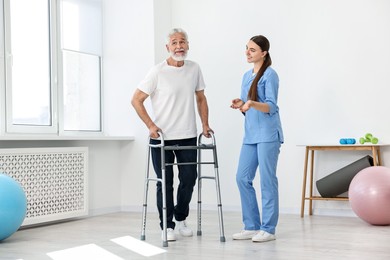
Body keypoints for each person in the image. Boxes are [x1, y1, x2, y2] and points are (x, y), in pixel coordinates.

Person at [131, 28, 212, 242]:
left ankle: (180, 217)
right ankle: (166, 225)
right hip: (162, 137)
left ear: (188, 45)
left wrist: (205, 124)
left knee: (189, 179)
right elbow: (136, 99)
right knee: (164, 182)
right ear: (168, 47)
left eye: (182, 42)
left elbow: (201, 98)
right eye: (174, 43)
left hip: (187, 135)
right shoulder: (157, 71)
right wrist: (150, 125)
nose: (179, 46)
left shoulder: (194, 69)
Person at [230, 35, 284, 243]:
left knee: (267, 181)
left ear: (264, 53)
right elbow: (248, 105)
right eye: (246, 49)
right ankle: (251, 226)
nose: (248, 52)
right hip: (251, 134)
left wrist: (251, 103)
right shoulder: (246, 75)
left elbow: (271, 106)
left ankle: (268, 228)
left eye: (252, 50)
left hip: (268, 134)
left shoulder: (270, 75)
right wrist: (241, 103)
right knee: (242, 178)